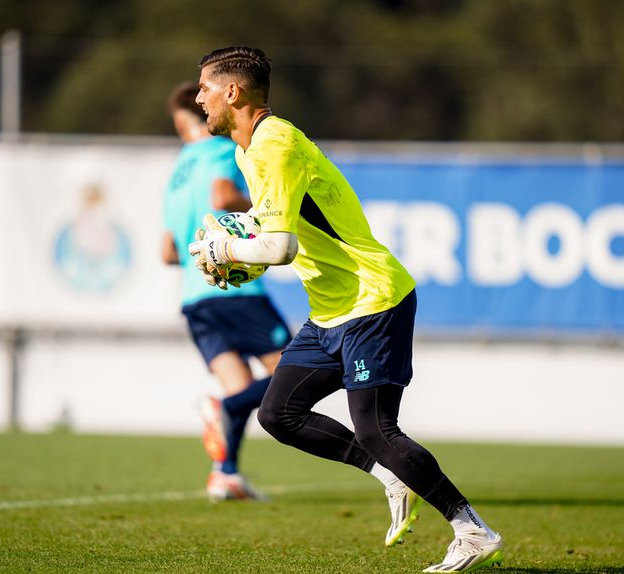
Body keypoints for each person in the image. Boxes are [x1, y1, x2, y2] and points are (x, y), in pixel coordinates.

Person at [188, 47, 504, 572]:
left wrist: (226, 250)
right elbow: (277, 230)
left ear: (232, 92)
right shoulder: (248, 151)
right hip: (331, 309)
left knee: (377, 429)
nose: (199, 97)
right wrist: (240, 235)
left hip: (373, 299)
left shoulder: (274, 145)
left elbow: (280, 248)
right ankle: (388, 475)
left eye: (204, 87)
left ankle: (472, 529)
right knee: (277, 413)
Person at [162, 81, 290, 502]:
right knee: (290, 373)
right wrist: (259, 212)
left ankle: (225, 474)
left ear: (182, 123)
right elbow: (223, 195)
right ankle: (227, 412)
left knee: (239, 385)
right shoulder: (223, 151)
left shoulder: (177, 173)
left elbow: (167, 252)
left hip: (194, 299)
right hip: (236, 293)